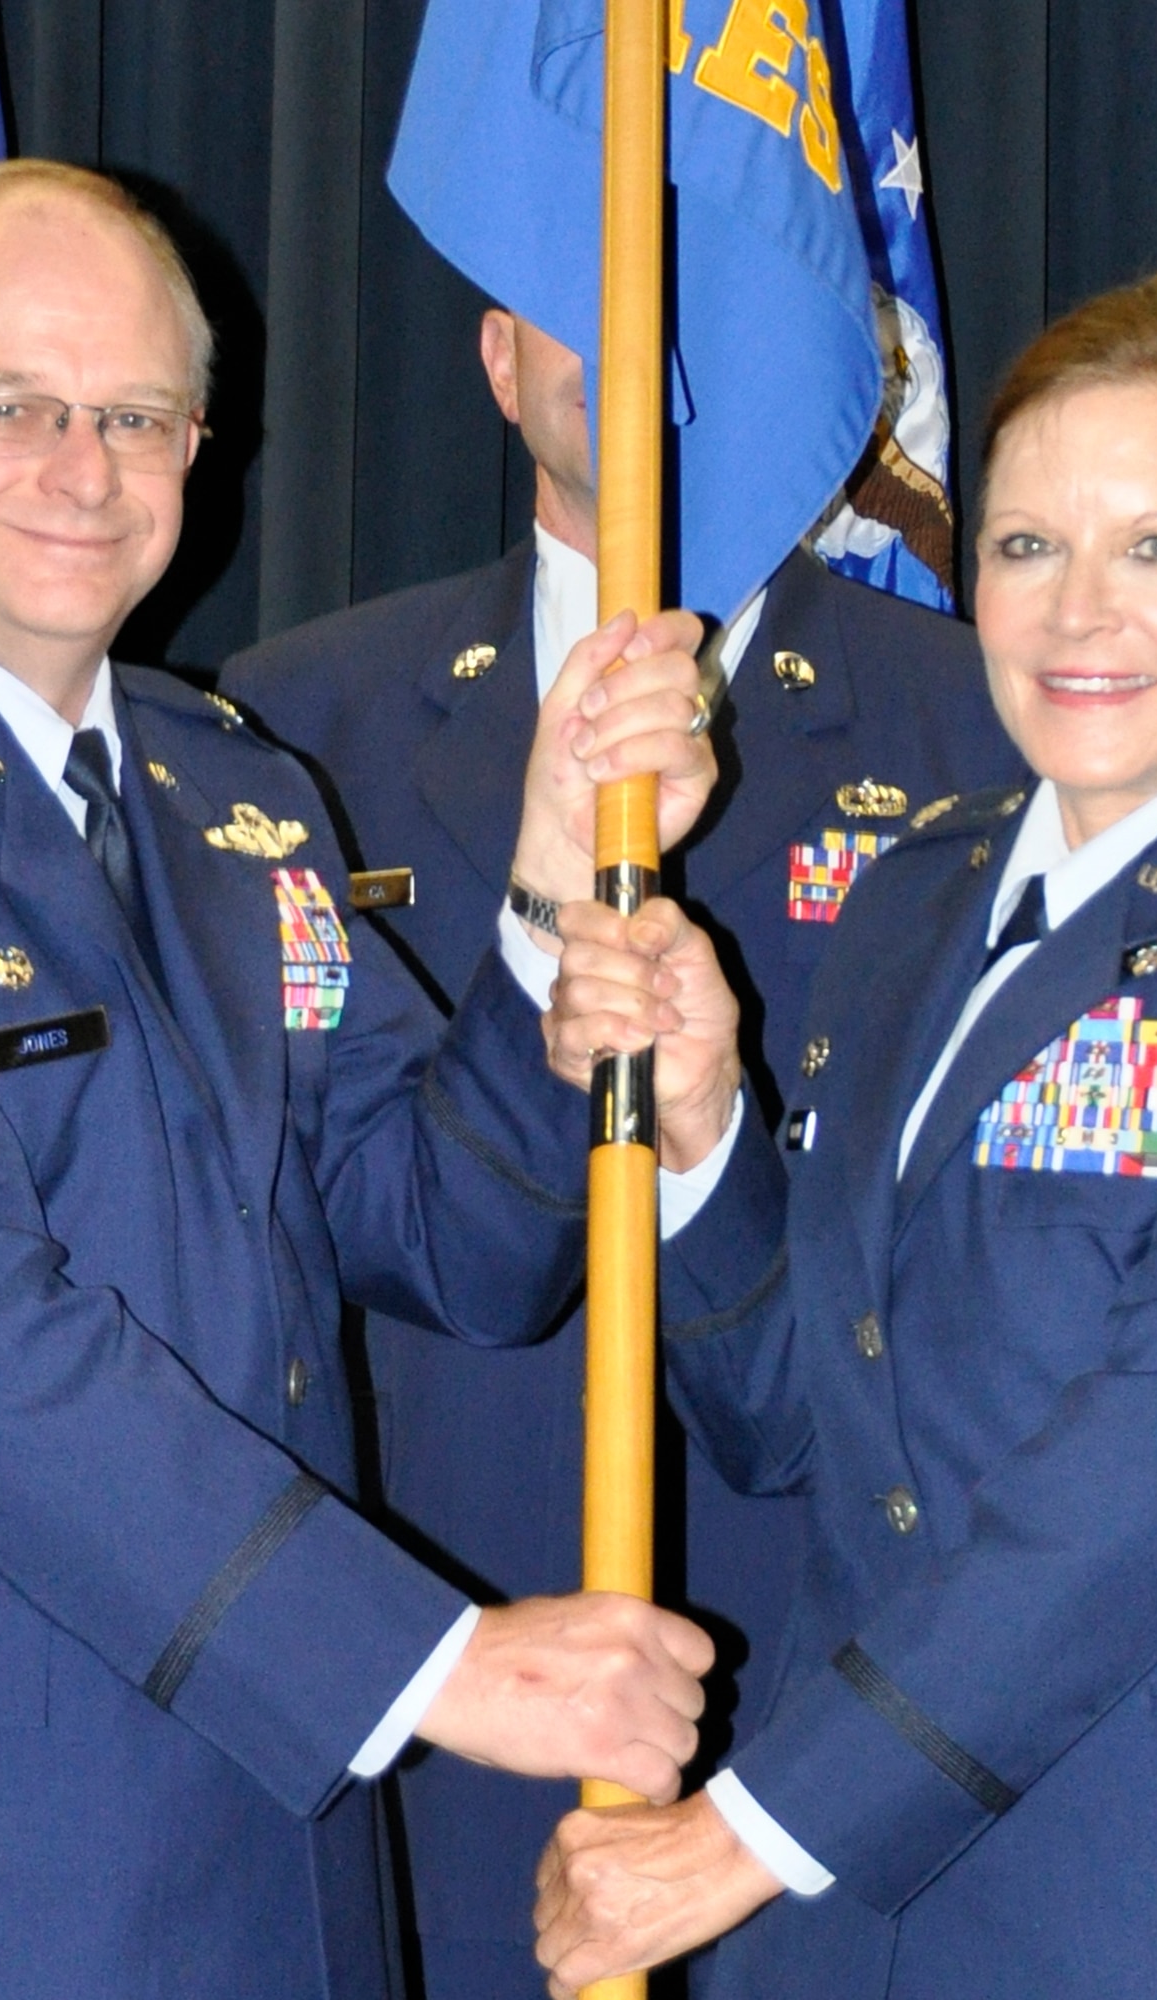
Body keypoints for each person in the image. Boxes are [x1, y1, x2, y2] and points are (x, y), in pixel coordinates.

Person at [0, 161, 733, 2000]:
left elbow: (439, 1235)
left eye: (137, 415)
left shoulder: (237, 794)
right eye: (11, 408)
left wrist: (543, 900)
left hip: (253, 1861)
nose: (85, 468)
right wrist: (435, 1663)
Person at [533, 268, 1157, 1999]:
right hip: (863, 1916)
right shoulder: (912, 905)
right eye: (1025, 546)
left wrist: (738, 1841)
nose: (1074, 613)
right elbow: (801, 1428)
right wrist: (714, 1135)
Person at [223, 307, 1022, 1997]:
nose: (648, 326)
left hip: (846, 1689)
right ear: (495, 360)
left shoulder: (980, 727)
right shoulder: (294, 722)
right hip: (438, 1650)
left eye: (692, 284)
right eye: (575, 300)